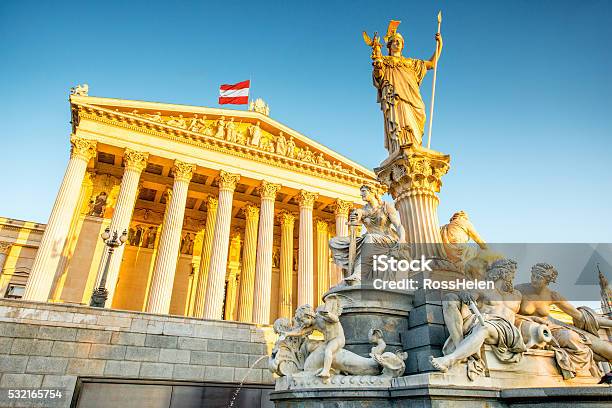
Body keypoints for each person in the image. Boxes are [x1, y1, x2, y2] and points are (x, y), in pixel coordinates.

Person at [430, 259, 526, 379]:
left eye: (513, 273)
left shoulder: (517, 294)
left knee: (483, 328)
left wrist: (541, 321)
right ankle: (461, 350)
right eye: (511, 272)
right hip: (483, 321)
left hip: (505, 329)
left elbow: (521, 315)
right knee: (450, 299)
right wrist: (464, 295)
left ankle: (451, 359)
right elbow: (470, 298)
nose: (513, 276)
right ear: (501, 272)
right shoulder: (483, 288)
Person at [515, 263, 612, 378]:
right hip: (528, 327)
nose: (534, 280)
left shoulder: (552, 295)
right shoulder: (519, 290)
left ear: (547, 281)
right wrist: (533, 318)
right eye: (533, 276)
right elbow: (509, 314)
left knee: (607, 350)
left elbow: (579, 316)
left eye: (539, 278)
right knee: (574, 339)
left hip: (553, 327)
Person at [372, 21, 443, 155]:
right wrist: (377, 65)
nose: (397, 43)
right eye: (394, 41)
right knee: (400, 127)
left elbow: (432, 64)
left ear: (403, 45)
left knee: (415, 124)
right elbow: (378, 77)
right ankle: (399, 150)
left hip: (413, 99)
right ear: (389, 46)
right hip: (396, 99)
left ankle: (414, 146)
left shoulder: (411, 63)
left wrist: (439, 45)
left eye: (400, 41)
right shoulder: (385, 62)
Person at [329, 184, 406, 284]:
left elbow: (399, 225)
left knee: (369, 239)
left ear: (372, 192)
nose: (361, 194)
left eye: (364, 191)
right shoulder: (363, 210)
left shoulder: (386, 206)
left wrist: (402, 238)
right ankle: (348, 274)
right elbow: (359, 215)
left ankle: (359, 274)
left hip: (387, 239)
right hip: (369, 239)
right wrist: (355, 217)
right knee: (334, 241)